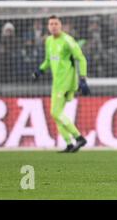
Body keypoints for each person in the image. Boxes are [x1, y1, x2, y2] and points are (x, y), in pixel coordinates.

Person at [32, 15, 91, 153]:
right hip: (56, 82)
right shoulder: (48, 41)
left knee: (55, 112)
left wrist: (83, 79)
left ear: (61, 25)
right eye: (51, 24)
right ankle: (69, 143)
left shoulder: (67, 40)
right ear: (48, 26)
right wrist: (39, 71)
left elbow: (81, 58)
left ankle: (79, 137)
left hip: (67, 81)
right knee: (56, 114)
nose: (53, 26)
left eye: (56, 23)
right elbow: (48, 60)